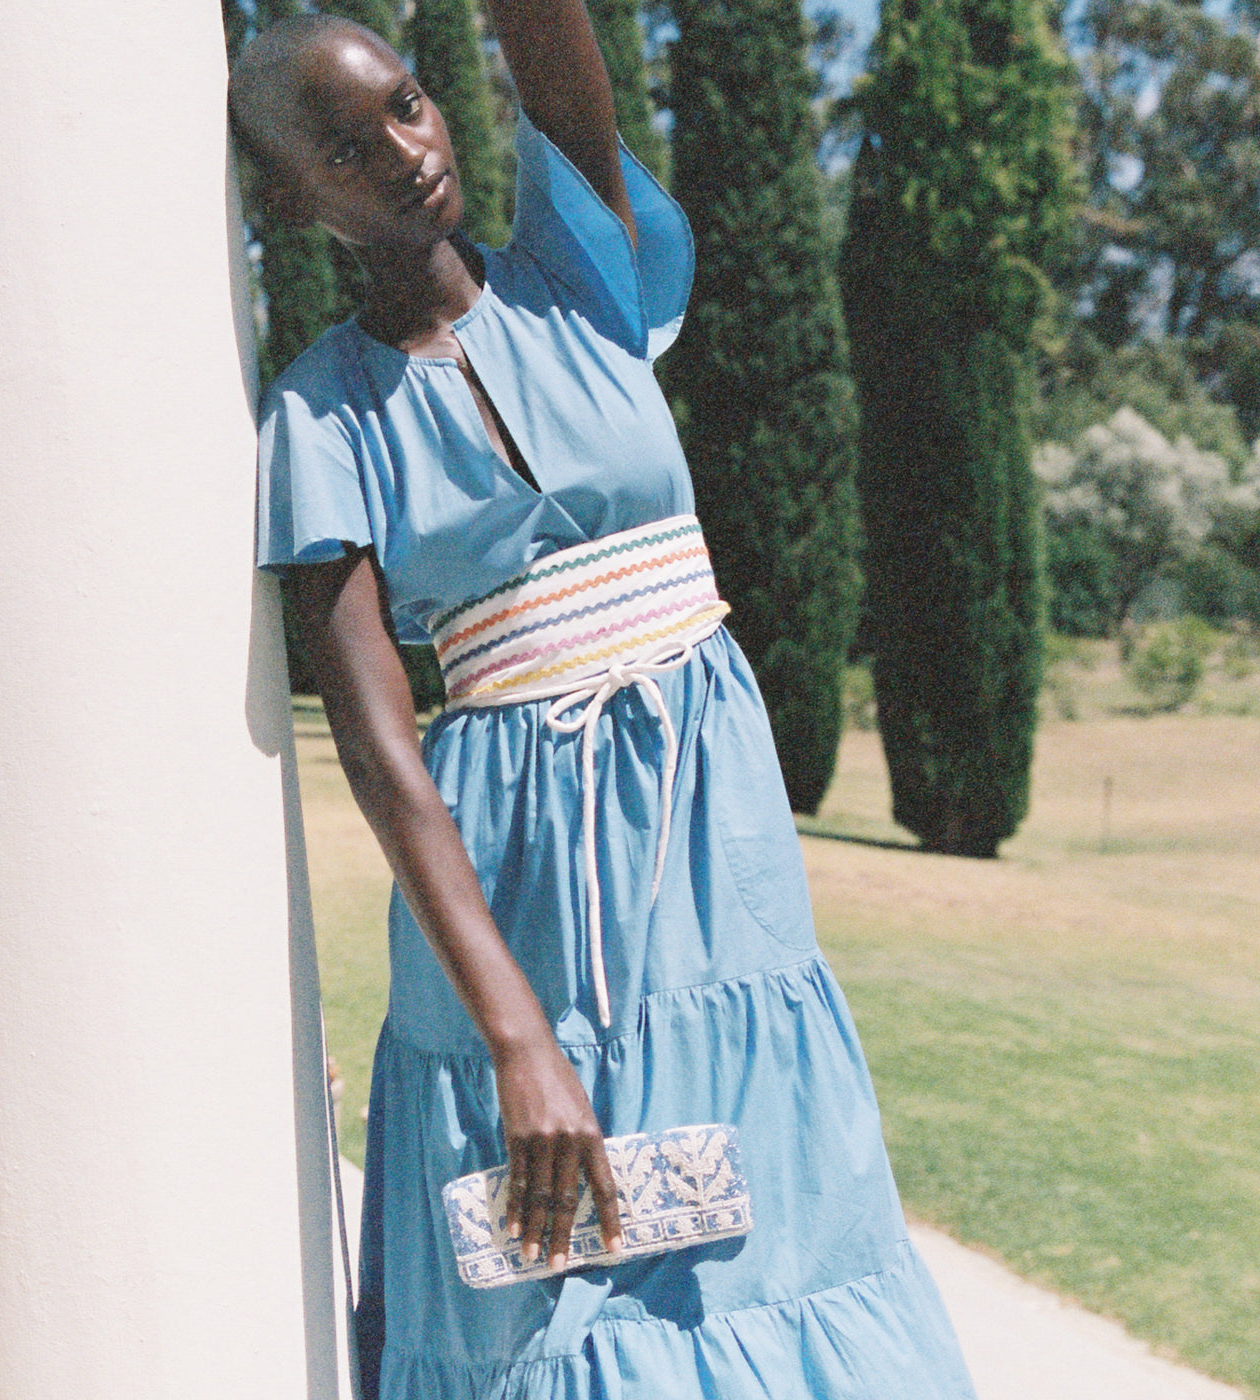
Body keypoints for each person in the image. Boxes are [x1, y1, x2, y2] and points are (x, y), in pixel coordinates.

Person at [230, 5, 979, 1396]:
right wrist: (517, 1041)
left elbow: (560, 65)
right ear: (293, 198)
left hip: (711, 872)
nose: (401, 150)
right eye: (345, 146)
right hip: (507, 901)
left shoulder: (579, 277)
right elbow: (387, 755)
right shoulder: (319, 421)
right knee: (552, 1313)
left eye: (404, 105)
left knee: (777, 1265)